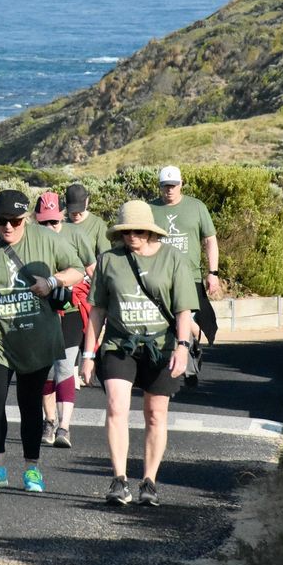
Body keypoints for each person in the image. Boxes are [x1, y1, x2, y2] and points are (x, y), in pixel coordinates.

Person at [81, 200, 198, 508]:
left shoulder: (173, 259)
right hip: (119, 344)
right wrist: (88, 354)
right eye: (125, 231)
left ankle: (149, 481)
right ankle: (119, 480)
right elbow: (98, 311)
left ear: (150, 231)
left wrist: (182, 348)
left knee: (156, 414)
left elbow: (183, 308)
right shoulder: (109, 260)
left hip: (160, 346)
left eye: (137, 230)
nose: (131, 236)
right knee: (116, 406)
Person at [0, 189, 83, 493]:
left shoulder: (46, 240)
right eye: (1, 220)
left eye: (15, 221)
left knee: (30, 404)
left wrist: (52, 281)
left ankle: (32, 468)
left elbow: (77, 271)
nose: (7, 227)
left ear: (26, 219)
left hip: (36, 339)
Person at [33, 192, 94, 449]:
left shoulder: (77, 235)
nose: (50, 227)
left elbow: (92, 271)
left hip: (70, 311)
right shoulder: (30, 240)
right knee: (46, 370)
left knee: (65, 367)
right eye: (44, 223)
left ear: (62, 217)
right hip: (41, 312)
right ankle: (49, 421)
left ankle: (64, 426)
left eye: (54, 222)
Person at [149, 165, 220, 349]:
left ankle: (191, 355)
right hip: (160, 276)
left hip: (190, 276)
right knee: (168, 320)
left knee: (187, 316)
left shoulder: (196, 207)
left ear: (181, 184)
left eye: (173, 185)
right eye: (165, 185)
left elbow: (210, 239)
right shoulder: (150, 209)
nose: (169, 189)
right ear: (160, 186)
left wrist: (213, 272)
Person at [64, 183, 113, 260]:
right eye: (73, 210)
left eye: (79, 209)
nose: (76, 213)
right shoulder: (59, 224)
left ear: (86, 201)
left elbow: (105, 257)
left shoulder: (98, 224)